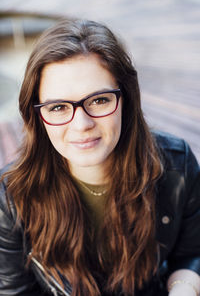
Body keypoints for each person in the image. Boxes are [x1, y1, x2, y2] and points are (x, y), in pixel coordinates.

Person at [0, 18, 200, 296]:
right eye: (58, 107)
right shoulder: (11, 198)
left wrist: (184, 288)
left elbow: (192, 252)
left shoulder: (177, 167)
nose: (81, 124)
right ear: (37, 116)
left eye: (99, 100)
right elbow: (14, 291)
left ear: (126, 101)